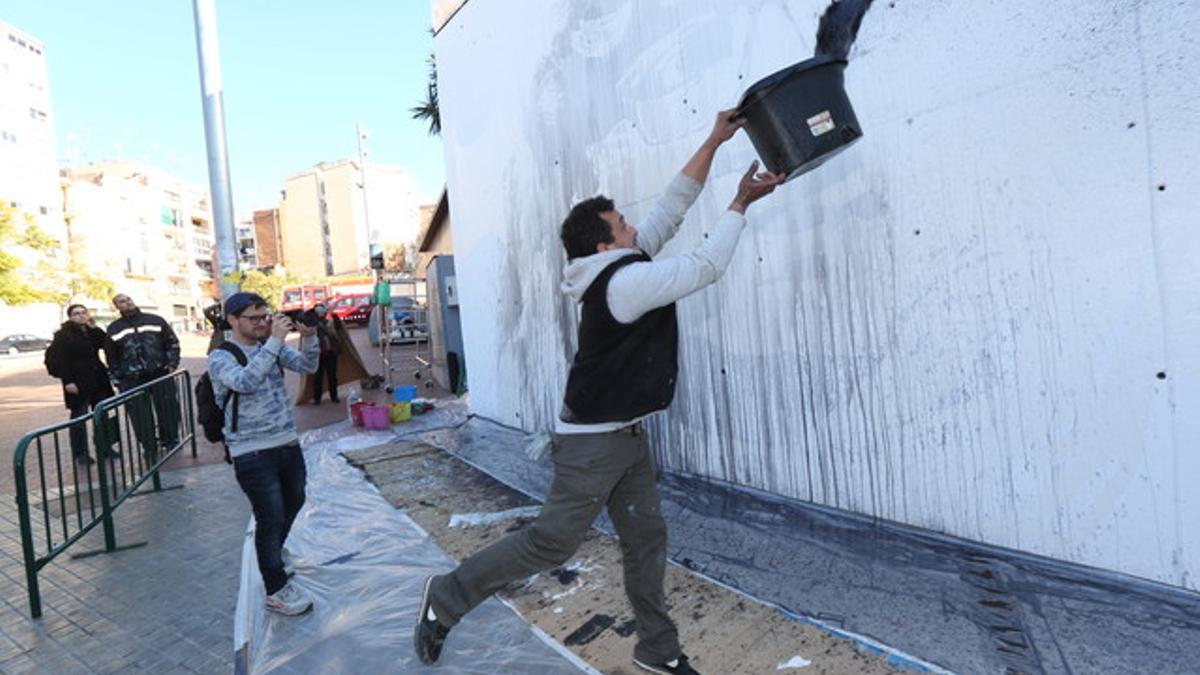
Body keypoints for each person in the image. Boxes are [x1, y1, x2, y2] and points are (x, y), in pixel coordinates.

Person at [414, 110, 783, 674]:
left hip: (626, 436)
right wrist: (739, 205)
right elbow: (707, 265)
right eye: (623, 223)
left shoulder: (621, 260)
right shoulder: (627, 283)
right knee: (551, 544)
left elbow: (674, 204)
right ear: (604, 242)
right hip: (593, 445)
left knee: (645, 540)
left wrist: (714, 139)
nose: (635, 227)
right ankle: (447, 596)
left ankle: (657, 653)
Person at [208, 292, 319, 615]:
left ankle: (274, 554)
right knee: (269, 517)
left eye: (264, 316)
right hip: (251, 451)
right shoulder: (221, 356)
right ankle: (276, 588)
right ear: (232, 320)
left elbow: (307, 365)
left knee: (294, 501)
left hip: (286, 441)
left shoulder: (269, 345)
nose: (262, 323)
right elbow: (245, 381)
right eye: (254, 318)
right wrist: (275, 341)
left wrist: (308, 338)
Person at [105, 293, 182, 458]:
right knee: (140, 416)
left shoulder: (155, 320)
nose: (127, 303)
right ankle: (149, 446)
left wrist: (171, 364)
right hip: (132, 380)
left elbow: (172, 343)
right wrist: (118, 379)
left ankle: (170, 440)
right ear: (117, 307)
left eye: (128, 299)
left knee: (168, 408)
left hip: (160, 374)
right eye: (121, 302)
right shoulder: (114, 328)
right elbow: (111, 356)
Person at [44, 304, 115, 464]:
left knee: (102, 414)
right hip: (77, 381)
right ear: (70, 317)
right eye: (76, 313)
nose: (81, 316)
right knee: (79, 418)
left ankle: (105, 448)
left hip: (98, 379)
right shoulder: (63, 335)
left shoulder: (91, 332)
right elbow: (60, 360)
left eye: (84, 312)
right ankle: (80, 453)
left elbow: (105, 344)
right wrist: (68, 381)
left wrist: (95, 327)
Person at [310, 303, 341, 404]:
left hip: (330, 352)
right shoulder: (312, 325)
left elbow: (338, 326)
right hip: (318, 354)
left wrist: (334, 315)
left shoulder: (329, 322)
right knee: (317, 377)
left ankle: (334, 396)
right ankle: (317, 398)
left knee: (332, 376)